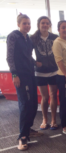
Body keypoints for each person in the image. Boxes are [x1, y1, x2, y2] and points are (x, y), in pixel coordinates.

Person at [6, 14, 43, 151]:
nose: (27, 26)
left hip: (30, 74)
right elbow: (9, 57)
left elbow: (27, 56)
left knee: (33, 103)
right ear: (18, 24)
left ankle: (28, 129)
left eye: (29, 23)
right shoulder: (13, 36)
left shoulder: (28, 39)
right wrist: (14, 74)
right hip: (20, 76)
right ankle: (22, 137)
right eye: (24, 23)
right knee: (25, 105)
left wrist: (35, 63)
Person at [30, 16, 59, 131]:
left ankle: (53, 120)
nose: (45, 25)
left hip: (54, 71)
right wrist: (35, 62)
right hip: (40, 73)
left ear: (49, 25)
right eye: (43, 23)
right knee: (45, 97)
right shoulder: (33, 38)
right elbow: (26, 53)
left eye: (47, 23)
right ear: (38, 25)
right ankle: (44, 120)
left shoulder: (55, 37)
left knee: (53, 95)